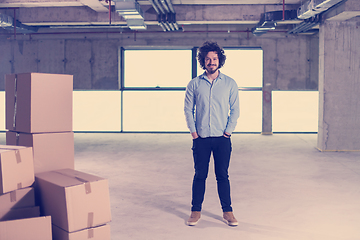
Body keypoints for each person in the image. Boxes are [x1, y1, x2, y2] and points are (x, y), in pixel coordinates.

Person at [184, 41, 240, 226]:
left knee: (222, 175)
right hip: (201, 139)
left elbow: (235, 110)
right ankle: (195, 211)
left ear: (220, 60)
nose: (211, 62)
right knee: (200, 175)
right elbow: (188, 109)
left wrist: (228, 132)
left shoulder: (230, 84)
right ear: (203, 61)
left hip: (222, 139)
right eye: (207, 59)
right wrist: (193, 132)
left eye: (214, 59)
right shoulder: (194, 84)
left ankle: (228, 212)